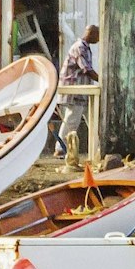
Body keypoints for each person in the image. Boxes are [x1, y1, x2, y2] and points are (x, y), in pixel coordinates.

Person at [57, 24, 100, 169]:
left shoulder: (85, 47)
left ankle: (98, 149)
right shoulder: (79, 47)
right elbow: (86, 69)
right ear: (92, 34)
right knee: (72, 120)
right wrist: (103, 80)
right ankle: (60, 148)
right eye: (98, 35)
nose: (99, 39)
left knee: (93, 120)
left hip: (83, 91)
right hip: (75, 90)